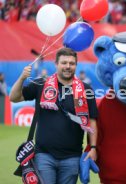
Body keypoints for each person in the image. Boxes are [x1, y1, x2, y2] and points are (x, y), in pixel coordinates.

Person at [9, 48, 98, 183]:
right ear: (56, 64)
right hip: (44, 155)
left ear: (76, 65)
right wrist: (22, 78)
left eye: (71, 63)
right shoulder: (41, 84)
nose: (68, 66)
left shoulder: (86, 89)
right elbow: (14, 97)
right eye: (64, 63)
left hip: (72, 157)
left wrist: (93, 148)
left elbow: (91, 121)